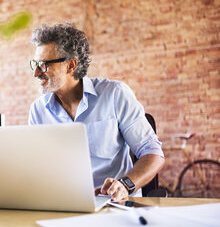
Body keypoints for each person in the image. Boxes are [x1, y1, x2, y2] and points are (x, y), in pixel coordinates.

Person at [28, 23, 165, 201]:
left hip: (113, 204)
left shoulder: (114, 94)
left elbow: (153, 153)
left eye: (44, 65)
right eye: (35, 64)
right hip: (64, 205)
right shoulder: (38, 110)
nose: (36, 73)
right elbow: (37, 167)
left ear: (70, 66)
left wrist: (125, 185)